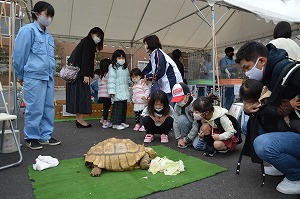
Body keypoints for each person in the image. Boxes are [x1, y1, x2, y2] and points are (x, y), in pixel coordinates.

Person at [235, 40, 300, 195]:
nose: (246, 73)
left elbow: (270, 108)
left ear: (262, 60)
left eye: (247, 68)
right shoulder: (268, 75)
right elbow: (267, 109)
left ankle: (296, 175)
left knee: (263, 144)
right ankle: (282, 163)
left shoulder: (289, 72)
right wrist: (248, 109)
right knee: (248, 126)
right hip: (289, 125)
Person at [12, 1, 60, 150]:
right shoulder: (28, 31)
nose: (49, 18)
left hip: (47, 76)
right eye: (47, 15)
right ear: (36, 14)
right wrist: (20, 74)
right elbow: (19, 54)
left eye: (51, 16)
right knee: (34, 107)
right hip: (33, 75)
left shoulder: (49, 36)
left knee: (47, 107)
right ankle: (31, 137)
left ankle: (45, 135)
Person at [66, 27, 104, 128]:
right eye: (98, 35)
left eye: (100, 37)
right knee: (81, 96)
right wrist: (86, 74)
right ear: (92, 33)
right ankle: (80, 120)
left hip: (75, 74)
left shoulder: (83, 42)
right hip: (81, 74)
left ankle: (79, 119)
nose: (98, 38)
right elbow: (86, 60)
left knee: (77, 96)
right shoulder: (89, 43)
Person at [143, 35, 183, 102]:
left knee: (169, 106)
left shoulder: (158, 53)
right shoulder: (153, 54)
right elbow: (148, 69)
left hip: (171, 83)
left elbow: (160, 70)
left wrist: (148, 78)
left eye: (146, 44)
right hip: (166, 85)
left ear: (151, 44)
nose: (145, 46)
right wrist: (140, 76)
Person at [171, 83, 206, 149]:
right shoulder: (177, 105)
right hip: (189, 126)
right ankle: (186, 139)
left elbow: (196, 125)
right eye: (177, 100)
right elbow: (175, 122)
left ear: (188, 95)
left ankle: (191, 140)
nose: (178, 102)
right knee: (181, 119)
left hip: (199, 129)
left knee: (197, 146)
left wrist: (187, 139)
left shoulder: (195, 104)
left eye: (180, 99)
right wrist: (179, 138)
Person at [108, 49, 131, 130]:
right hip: (117, 91)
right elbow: (111, 80)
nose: (121, 59)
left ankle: (121, 121)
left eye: (123, 57)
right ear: (115, 58)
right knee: (118, 107)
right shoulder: (113, 67)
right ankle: (115, 123)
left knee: (123, 108)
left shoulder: (125, 68)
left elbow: (128, 78)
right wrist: (111, 91)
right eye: (119, 57)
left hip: (124, 90)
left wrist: (131, 83)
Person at [90, 59, 112, 128]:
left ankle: (103, 119)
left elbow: (99, 85)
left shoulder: (101, 76)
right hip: (107, 95)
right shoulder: (108, 74)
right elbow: (110, 84)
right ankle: (105, 122)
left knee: (105, 107)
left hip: (101, 95)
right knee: (106, 108)